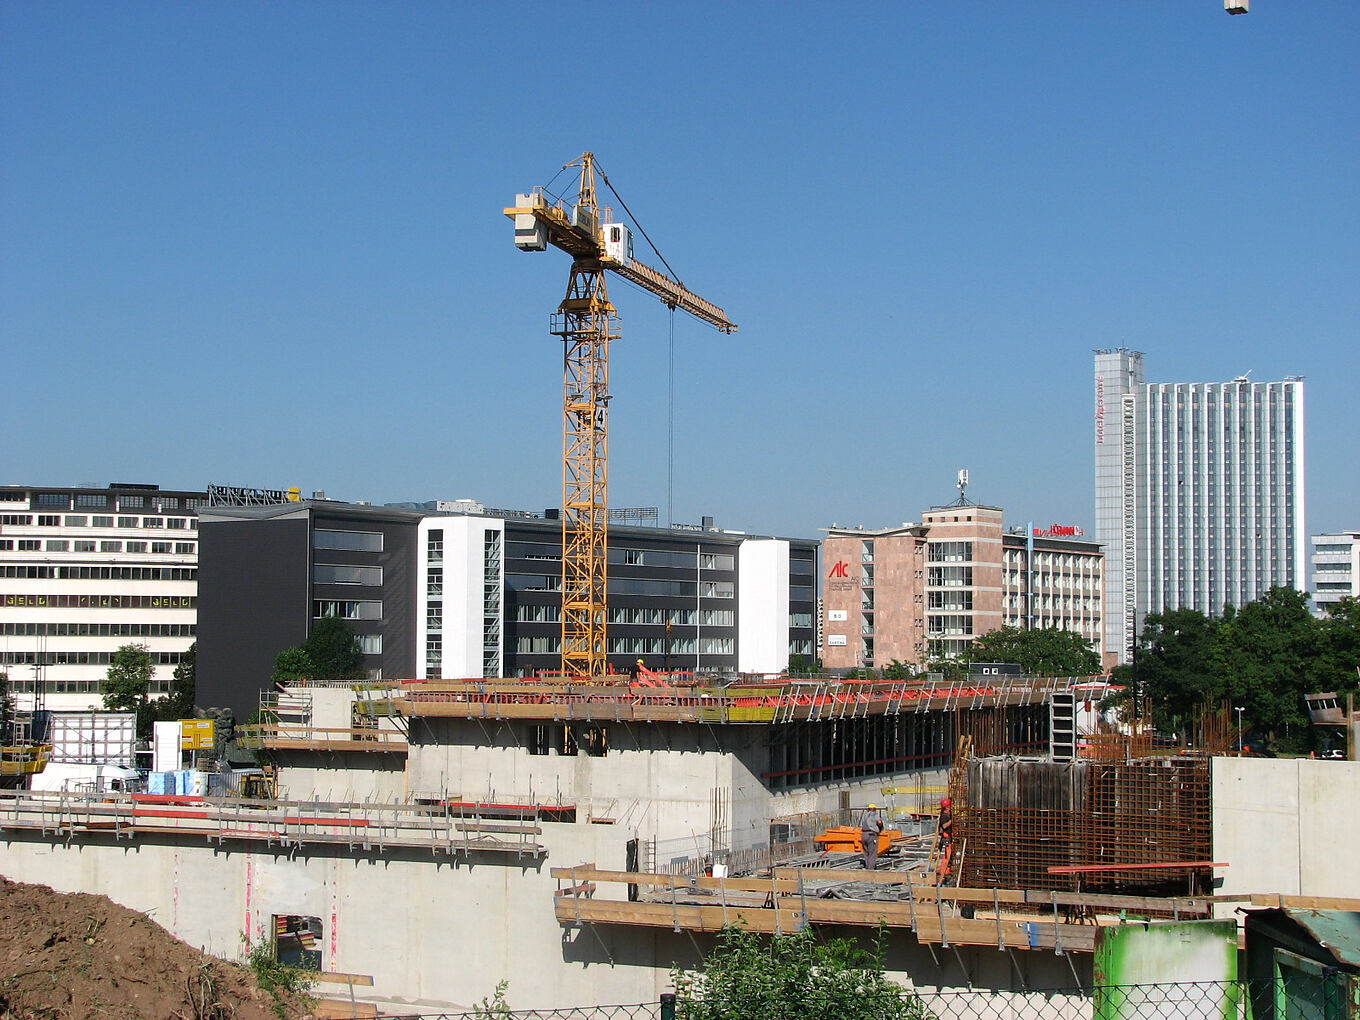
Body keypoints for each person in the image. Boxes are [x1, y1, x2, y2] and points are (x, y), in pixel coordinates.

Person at [935, 797, 955, 885]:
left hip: (949, 835)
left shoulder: (948, 814)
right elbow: (944, 826)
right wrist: (951, 821)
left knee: (949, 855)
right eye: (949, 806)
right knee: (947, 855)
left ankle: (947, 870)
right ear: (946, 807)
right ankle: (944, 872)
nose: (951, 807)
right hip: (946, 836)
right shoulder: (944, 816)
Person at [859, 803, 884, 869]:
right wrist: (881, 829)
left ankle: (868, 867)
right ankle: (870, 870)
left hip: (864, 835)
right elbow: (879, 822)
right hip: (871, 835)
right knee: (872, 853)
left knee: (866, 852)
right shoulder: (874, 815)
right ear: (875, 809)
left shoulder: (865, 816)